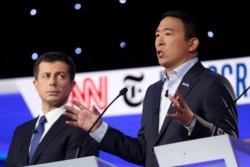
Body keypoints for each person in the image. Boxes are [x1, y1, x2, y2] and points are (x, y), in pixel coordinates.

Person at [63, 10, 239, 167]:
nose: (159, 42)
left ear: (192, 44)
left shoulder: (212, 83)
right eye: (157, 35)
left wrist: (192, 122)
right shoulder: (153, 91)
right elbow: (144, 152)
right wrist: (99, 129)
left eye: (168, 34)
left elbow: (230, 142)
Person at [5, 51, 99, 167]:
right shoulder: (21, 132)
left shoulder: (82, 128)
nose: (52, 82)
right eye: (46, 76)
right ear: (36, 84)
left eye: (60, 76)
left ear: (72, 85)